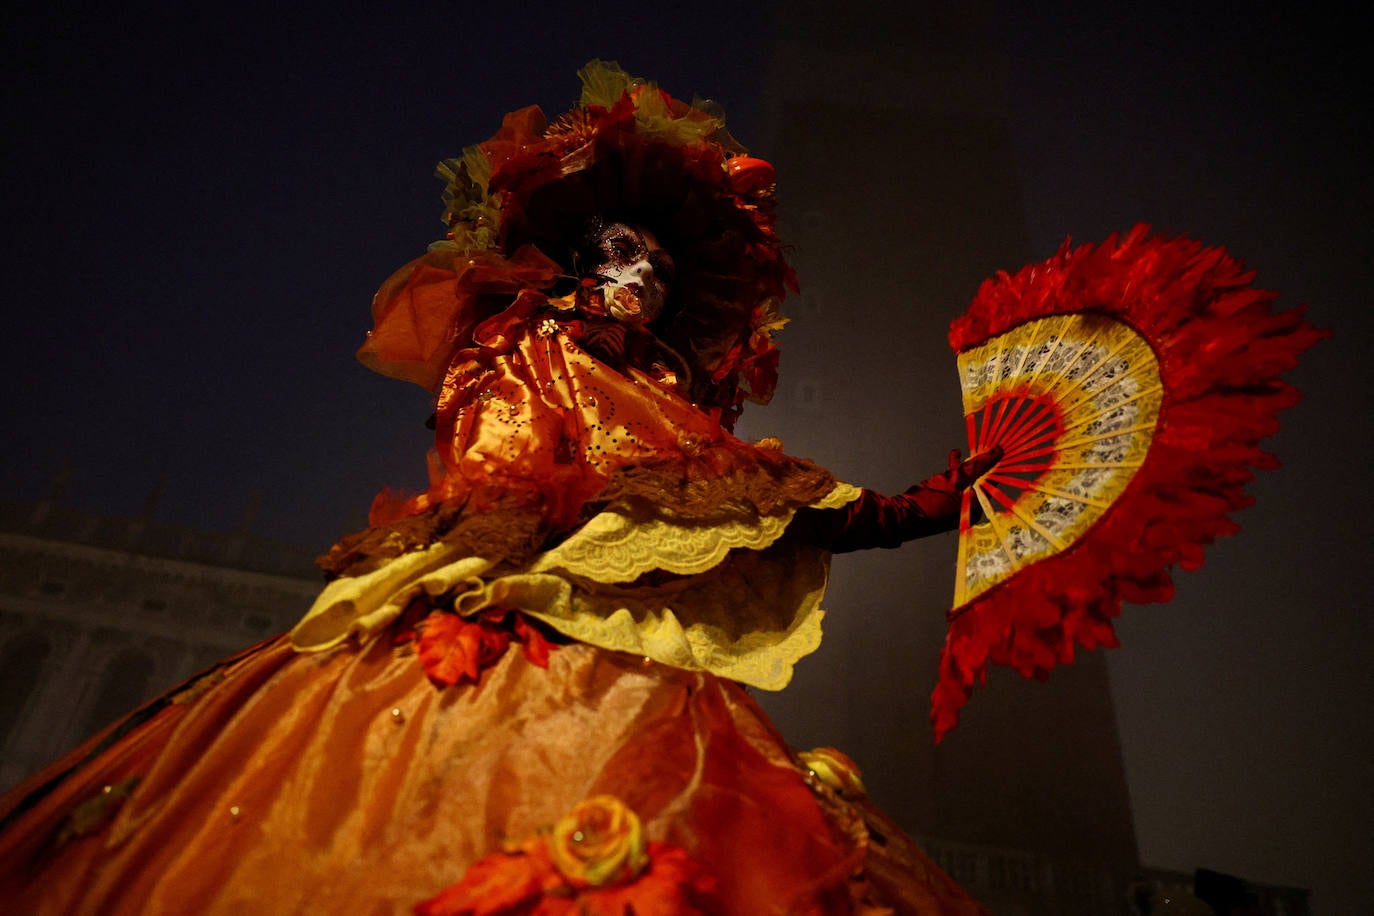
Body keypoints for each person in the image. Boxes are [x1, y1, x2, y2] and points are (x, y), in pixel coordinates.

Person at [0, 62, 991, 914]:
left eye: (660, 266)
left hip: (596, 635)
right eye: (625, 252)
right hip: (503, 624)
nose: (645, 274)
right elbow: (548, 477)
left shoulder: (646, 386)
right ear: (580, 262)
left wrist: (922, 506)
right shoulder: (533, 341)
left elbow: (737, 497)